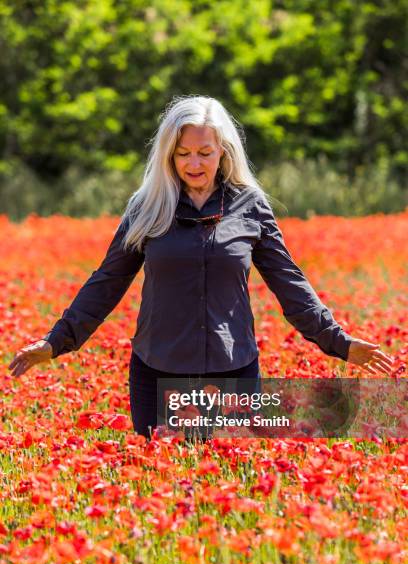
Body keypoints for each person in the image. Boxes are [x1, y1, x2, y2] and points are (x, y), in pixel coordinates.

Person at [8, 95, 393, 439]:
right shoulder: (148, 208)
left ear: (223, 151)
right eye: (183, 153)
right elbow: (107, 281)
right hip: (158, 370)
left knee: (231, 488)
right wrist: (56, 341)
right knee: (162, 492)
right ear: (169, 155)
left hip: (234, 370)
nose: (194, 163)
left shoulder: (250, 206)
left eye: (204, 152)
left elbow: (289, 282)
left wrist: (338, 341)